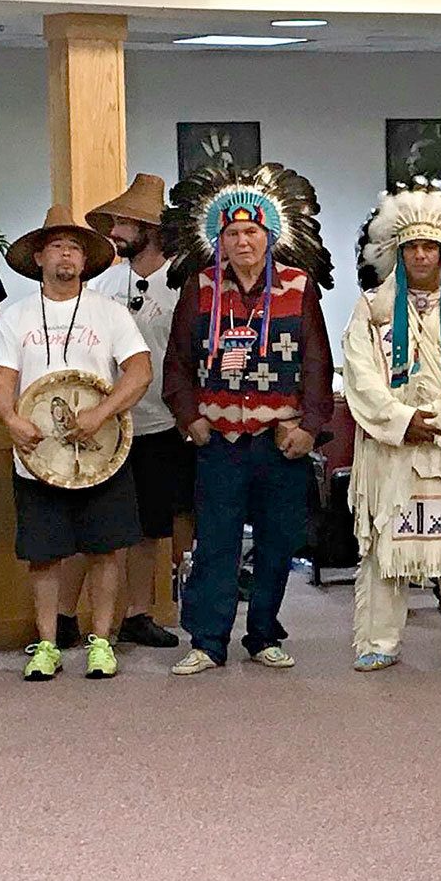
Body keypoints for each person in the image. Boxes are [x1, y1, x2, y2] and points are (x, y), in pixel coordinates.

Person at [161, 163, 334, 675]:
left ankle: (263, 634)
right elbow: (177, 360)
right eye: (232, 232)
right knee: (215, 541)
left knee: (278, 543)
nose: (242, 241)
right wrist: (188, 415)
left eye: (252, 231)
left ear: (270, 236)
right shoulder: (199, 287)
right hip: (219, 440)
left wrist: (308, 427)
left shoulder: (299, 288)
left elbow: (317, 362)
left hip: (279, 439)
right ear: (219, 237)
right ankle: (208, 642)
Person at [0, 207, 151, 681]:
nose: (66, 255)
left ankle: (101, 642)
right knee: (44, 554)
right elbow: (0, 378)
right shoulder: (14, 317)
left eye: (74, 247)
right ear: (38, 256)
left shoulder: (110, 312)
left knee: (107, 548)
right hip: (38, 457)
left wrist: (103, 411)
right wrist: (11, 418)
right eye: (56, 246)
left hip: (104, 453)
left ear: (85, 259)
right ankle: (47, 644)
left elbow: (139, 371)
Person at [343, 178, 441, 673]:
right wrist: (401, 420)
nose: (422, 257)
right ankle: (379, 641)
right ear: (397, 251)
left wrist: (440, 421)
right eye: (412, 247)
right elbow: (359, 374)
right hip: (393, 447)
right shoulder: (372, 308)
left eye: (430, 247)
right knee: (384, 546)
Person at [71, 173, 188, 649]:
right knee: (94, 523)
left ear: (149, 229)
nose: (115, 232)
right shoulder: (104, 285)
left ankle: (140, 613)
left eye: (123, 223)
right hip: (104, 424)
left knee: (151, 527)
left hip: (161, 422)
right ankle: (65, 616)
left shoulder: (184, 282)